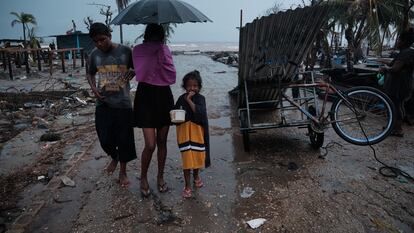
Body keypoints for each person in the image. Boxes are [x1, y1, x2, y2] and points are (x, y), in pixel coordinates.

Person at [86, 22, 137, 187]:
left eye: (102, 39)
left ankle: (123, 172)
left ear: (110, 35)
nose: (99, 44)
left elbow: (137, 69)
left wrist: (132, 73)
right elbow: (90, 72)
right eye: (96, 41)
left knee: (124, 139)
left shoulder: (126, 51)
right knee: (104, 138)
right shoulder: (94, 54)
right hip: (103, 103)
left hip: (123, 103)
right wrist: (94, 89)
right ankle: (114, 156)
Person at [132, 24, 176, 197]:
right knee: (150, 144)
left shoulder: (165, 50)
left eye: (157, 39)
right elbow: (136, 70)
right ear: (146, 37)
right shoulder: (138, 50)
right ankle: (143, 178)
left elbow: (171, 72)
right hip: (145, 97)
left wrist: (159, 52)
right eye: (152, 39)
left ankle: (160, 177)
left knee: (162, 141)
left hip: (164, 96)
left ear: (162, 39)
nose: (154, 42)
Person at [173, 70, 210, 198]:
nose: (192, 88)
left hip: (197, 133)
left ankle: (196, 176)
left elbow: (200, 114)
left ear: (199, 87)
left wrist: (189, 100)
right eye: (189, 85)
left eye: (195, 86)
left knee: (197, 157)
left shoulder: (201, 99)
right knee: (187, 160)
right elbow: (175, 114)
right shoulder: (180, 99)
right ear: (185, 86)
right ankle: (187, 185)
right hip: (183, 133)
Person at [380, 28, 414, 137]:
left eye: (398, 40)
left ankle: (398, 129)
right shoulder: (406, 52)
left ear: (403, 41)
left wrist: (385, 68)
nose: (397, 42)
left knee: (396, 105)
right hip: (401, 84)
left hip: (400, 85)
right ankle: (393, 126)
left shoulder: (407, 52)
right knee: (397, 105)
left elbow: (395, 68)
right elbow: (396, 64)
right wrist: (385, 62)